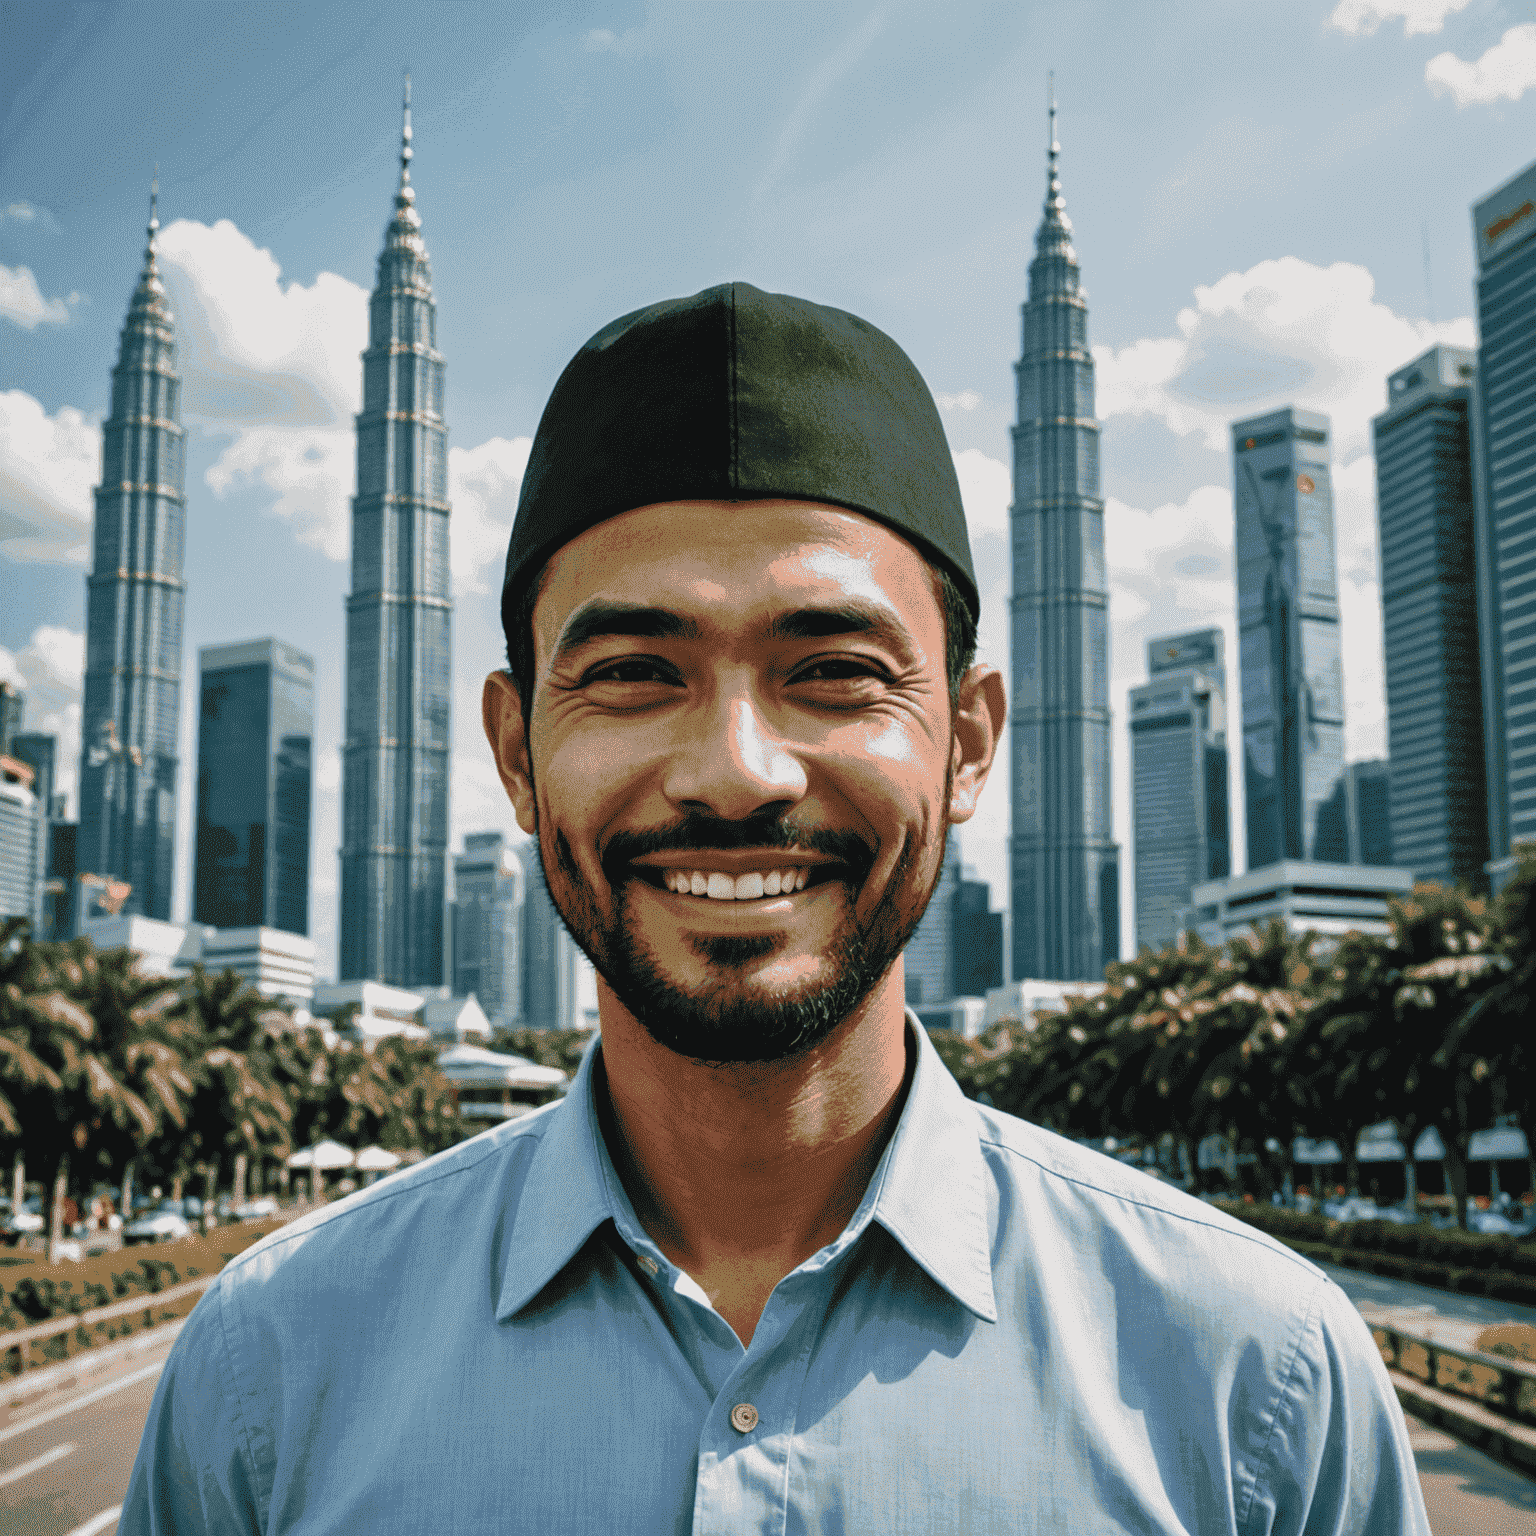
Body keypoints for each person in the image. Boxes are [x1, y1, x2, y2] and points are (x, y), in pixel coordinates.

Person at [121, 283, 1429, 1533]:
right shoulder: (272, 1371)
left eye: (835, 672)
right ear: (516, 754)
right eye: (635, 672)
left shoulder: (1259, 1378)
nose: (737, 773)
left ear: (968, 745)